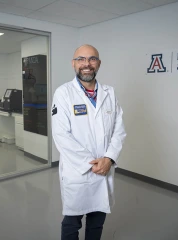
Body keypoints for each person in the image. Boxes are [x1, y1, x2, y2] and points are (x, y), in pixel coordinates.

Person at [51, 44, 126, 240]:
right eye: (81, 59)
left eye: (92, 59)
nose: (87, 64)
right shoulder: (63, 93)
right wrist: (92, 164)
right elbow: (61, 135)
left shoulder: (110, 93)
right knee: (71, 223)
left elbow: (119, 130)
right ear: (73, 64)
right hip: (78, 171)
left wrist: (108, 158)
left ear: (98, 63)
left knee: (97, 221)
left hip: (105, 168)